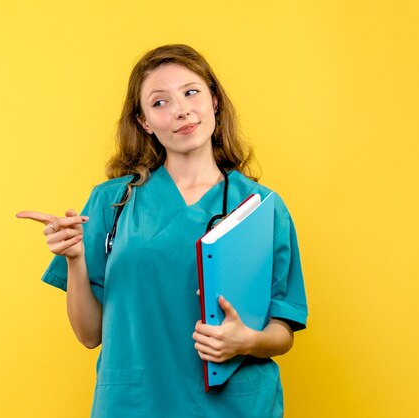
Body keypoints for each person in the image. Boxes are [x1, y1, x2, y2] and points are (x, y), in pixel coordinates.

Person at [17, 44, 308, 418]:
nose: (181, 109)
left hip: (234, 405)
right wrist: (74, 259)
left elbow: (282, 332)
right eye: (159, 102)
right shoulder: (112, 203)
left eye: (191, 92)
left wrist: (246, 341)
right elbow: (89, 336)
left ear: (214, 100)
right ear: (144, 123)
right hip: (137, 405)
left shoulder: (261, 208)